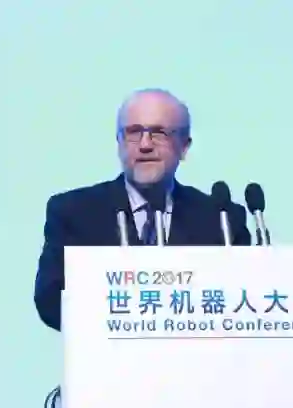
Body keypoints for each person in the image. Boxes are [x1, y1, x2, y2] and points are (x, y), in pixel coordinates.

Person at [34, 88, 251, 331]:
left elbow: (247, 301)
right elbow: (50, 299)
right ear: (119, 143)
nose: (145, 145)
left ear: (184, 146)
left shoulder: (221, 220)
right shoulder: (74, 213)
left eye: (159, 133)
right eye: (134, 133)